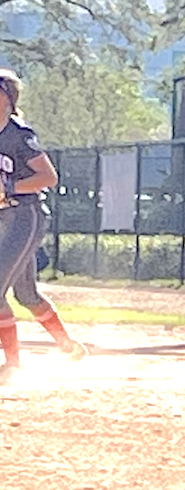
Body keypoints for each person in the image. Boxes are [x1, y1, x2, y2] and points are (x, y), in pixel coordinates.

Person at [0, 69, 88, 384]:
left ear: (9, 101)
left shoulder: (18, 134)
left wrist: (10, 189)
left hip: (25, 216)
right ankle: (67, 346)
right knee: (26, 294)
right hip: (3, 218)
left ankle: (12, 365)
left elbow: (48, 178)